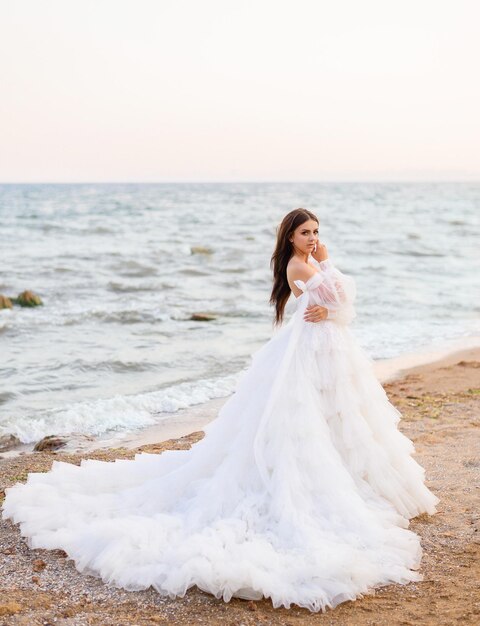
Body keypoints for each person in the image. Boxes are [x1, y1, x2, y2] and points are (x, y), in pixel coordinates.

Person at [2, 208, 439, 614]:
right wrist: (327, 267)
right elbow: (340, 294)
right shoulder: (299, 266)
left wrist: (328, 287)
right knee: (304, 423)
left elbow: (340, 306)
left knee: (340, 419)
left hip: (327, 351)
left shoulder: (312, 263)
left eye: (316, 232)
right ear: (289, 237)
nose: (312, 238)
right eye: (305, 233)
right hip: (309, 353)